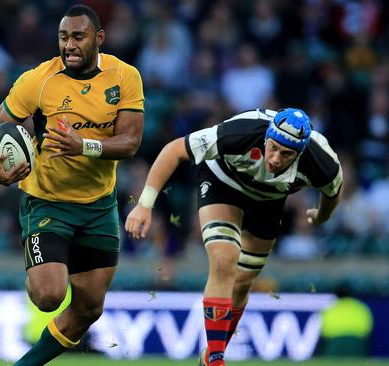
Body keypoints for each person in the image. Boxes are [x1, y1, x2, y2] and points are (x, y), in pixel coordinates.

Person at [0, 5, 145, 365]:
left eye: (78, 37)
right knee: (48, 296)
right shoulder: (37, 80)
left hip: (99, 206)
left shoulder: (124, 76)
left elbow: (131, 142)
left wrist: (82, 146)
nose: (69, 45)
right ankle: (36, 266)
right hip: (47, 202)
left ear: (99, 38)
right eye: (63, 37)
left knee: (89, 308)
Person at [125, 108, 342, 366]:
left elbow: (333, 192)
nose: (274, 158)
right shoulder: (240, 133)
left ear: (300, 153)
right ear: (267, 137)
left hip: (268, 202)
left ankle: (210, 355)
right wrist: (144, 204)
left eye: (286, 154)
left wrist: (321, 217)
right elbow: (174, 150)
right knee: (224, 258)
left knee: (242, 281)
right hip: (223, 184)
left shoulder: (322, 162)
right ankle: (217, 358)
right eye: (272, 147)